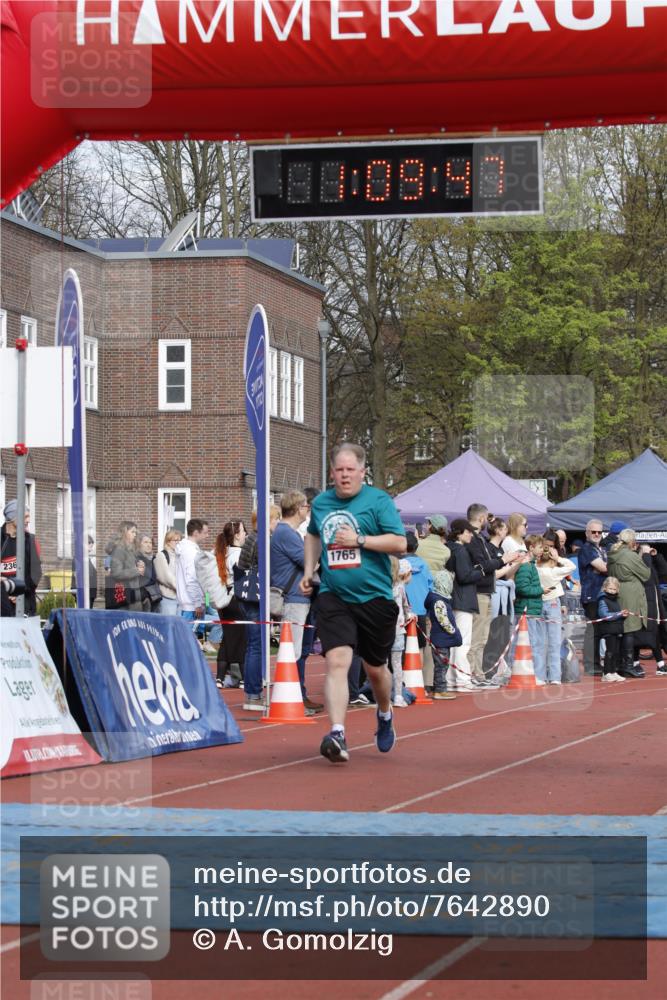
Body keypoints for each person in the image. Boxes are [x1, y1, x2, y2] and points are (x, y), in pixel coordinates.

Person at [301, 442, 406, 764]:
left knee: (375, 670)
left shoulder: (378, 501)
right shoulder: (321, 503)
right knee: (336, 662)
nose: (345, 476)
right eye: (339, 470)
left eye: (350, 470)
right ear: (332, 473)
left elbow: (400, 543)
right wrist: (309, 570)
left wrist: (359, 540)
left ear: (362, 472)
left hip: (375, 598)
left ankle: (385, 713)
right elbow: (314, 535)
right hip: (335, 594)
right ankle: (336, 731)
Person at [271, 490, 322, 713]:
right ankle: (294, 697)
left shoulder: (286, 532)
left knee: (300, 649)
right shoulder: (286, 533)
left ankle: (299, 694)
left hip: (299, 597)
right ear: (297, 508)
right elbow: (308, 561)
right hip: (294, 598)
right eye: (305, 507)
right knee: (294, 651)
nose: (307, 510)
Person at [467, 503, 520, 685]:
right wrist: (503, 560)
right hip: (479, 592)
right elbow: (482, 565)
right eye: (487, 518)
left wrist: (505, 562)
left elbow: (487, 566)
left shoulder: (479, 538)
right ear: (482, 518)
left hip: (487, 591)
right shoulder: (474, 540)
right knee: (477, 637)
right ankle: (473, 673)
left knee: (482, 636)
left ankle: (479, 673)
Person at [237, 505, 281, 710]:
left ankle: (253, 689)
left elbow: (242, 566)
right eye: (275, 519)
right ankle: (253, 692)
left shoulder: (251, 538)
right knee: (256, 644)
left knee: (254, 644)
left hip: (247, 596)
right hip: (255, 597)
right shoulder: (261, 540)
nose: (277, 523)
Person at [445, 519, 483, 692]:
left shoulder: (449, 547)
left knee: (454, 641)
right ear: (459, 532)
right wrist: (479, 571)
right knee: (463, 642)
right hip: (463, 599)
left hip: (453, 598)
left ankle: (452, 677)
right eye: (468, 531)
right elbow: (464, 576)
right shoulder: (460, 550)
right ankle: (461, 678)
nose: (471, 534)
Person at [607, 529, 651, 678]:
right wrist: (643, 555)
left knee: (621, 630)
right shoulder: (629, 555)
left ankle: (619, 664)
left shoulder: (613, 553)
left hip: (618, 591)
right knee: (629, 630)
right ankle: (627, 665)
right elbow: (646, 574)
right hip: (630, 594)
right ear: (632, 541)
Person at [416, 515, 450, 691]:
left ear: (430, 526)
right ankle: (432, 680)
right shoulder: (445, 550)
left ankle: (418, 679)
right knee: (434, 636)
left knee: (419, 637)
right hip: (439, 595)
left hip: (419, 593)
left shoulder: (420, 546)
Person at [537, 541, 576, 684]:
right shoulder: (555, 571)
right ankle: (554, 677)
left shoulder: (536, 569)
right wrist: (558, 558)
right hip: (553, 602)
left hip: (539, 603)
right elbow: (572, 566)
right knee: (554, 641)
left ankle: (540, 676)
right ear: (552, 559)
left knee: (540, 642)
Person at [214, 521, 248, 687]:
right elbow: (242, 578)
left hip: (223, 599)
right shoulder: (238, 554)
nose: (245, 534)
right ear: (236, 535)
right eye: (243, 531)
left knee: (228, 637)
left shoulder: (222, 552)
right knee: (242, 638)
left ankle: (220, 677)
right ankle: (243, 678)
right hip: (236, 597)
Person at [513, 535, 547, 685]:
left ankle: (531, 674)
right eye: (540, 547)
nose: (542, 550)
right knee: (530, 644)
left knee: (533, 644)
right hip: (527, 610)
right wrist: (541, 590)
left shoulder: (531, 565)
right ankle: (529, 675)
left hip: (532, 609)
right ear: (531, 547)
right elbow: (522, 588)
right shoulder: (527, 566)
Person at [424, 570, 461, 700]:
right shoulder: (438, 602)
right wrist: (454, 631)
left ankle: (441, 688)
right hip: (441, 639)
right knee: (441, 665)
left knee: (443, 664)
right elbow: (443, 620)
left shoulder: (440, 600)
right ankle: (439, 690)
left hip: (442, 639)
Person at [1, 500, 42, 616]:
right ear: (13, 517)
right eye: (25, 517)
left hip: (25, 604)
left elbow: (35, 575)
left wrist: (19, 592)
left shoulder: (30, 540)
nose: (28, 521)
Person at [578, 519, 608, 674]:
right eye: (593, 532)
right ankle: (590, 665)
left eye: (599, 532)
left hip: (601, 594)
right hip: (591, 595)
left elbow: (605, 568)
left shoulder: (601, 549)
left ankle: (596, 662)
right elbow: (604, 567)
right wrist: (605, 567)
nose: (596, 534)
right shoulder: (586, 549)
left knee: (599, 630)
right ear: (587, 533)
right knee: (592, 631)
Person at [389, 557, 415, 708]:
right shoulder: (400, 587)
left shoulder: (383, 586)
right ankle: (398, 695)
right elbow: (406, 607)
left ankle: (384, 695)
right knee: (397, 663)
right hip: (398, 629)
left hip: (382, 629)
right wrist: (409, 616)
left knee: (383, 664)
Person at [107, 520, 144, 612]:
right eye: (132, 532)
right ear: (124, 532)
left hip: (132, 595)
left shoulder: (129, 549)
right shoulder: (119, 550)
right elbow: (116, 573)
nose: (135, 535)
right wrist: (136, 570)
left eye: (135, 532)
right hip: (125, 597)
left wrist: (140, 565)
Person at [596, 577, 628, 683]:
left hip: (617, 629)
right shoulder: (603, 600)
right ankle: (606, 673)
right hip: (608, 630)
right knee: (609, 651)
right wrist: (619, 614)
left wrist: (623, 615)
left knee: (616, 652)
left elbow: (616, 614)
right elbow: (604, 614)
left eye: (614, 589)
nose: (612, 591)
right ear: (605, 588)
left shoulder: (616, 600)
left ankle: (613, 672)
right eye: (610, 589)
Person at [153, 529, 182, 614]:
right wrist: (181, 588)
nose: (178, 542)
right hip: (168, 598)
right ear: (168, 542)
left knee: (178, 626)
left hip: (180, 598)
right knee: (168, 625)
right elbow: (166, 577)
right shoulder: (161, 555)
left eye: (179, 540)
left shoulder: (180, 556)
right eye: (175, 540)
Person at [135, 532, 159, 612]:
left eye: (150, 542)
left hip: (155, 597)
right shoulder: (136, 559)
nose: (149, 545)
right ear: (139, 544)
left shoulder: (153, 558)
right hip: (143, 598)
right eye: (145, 542)